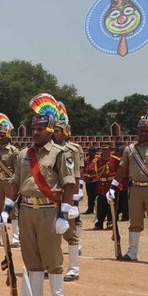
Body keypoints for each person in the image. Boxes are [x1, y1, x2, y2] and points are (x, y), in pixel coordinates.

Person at [0, 93, 75, 296]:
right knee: (31, 260)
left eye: (40, 129)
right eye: (33, 129)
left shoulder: (61, 153)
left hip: (49, 211)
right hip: (27, 212)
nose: (35, 133)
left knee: (53, 260)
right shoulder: (24, 154)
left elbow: (69, 184)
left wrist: (64, 214)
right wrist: (6, 208)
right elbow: (14, 183)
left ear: (50, 130)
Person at [106, 105, 148, 265]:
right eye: (141, 130)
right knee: (134, 222)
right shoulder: (129, 149)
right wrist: (113, 186)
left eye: (146, 131)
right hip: (134, 188)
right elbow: (122, 168)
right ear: (137, 131)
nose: (143, 133)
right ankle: (132, 252)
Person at [54, 103, 85, 282]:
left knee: (70, 232)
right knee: (52, 233)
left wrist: (74, 199)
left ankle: (73, 268)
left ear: (65, 132)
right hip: (52, 195)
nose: (55, 133)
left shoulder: (74, 149)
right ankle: (53, 264)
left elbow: (76, 175)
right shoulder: (49, 148)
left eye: (58, 130)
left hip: (67, 194)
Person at [0, 113, 21, 248]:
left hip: (10, 182)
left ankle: (16, 236)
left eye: (2, 135)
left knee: (13, 210)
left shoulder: (14, 151)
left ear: (8, 135)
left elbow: (17, 170)